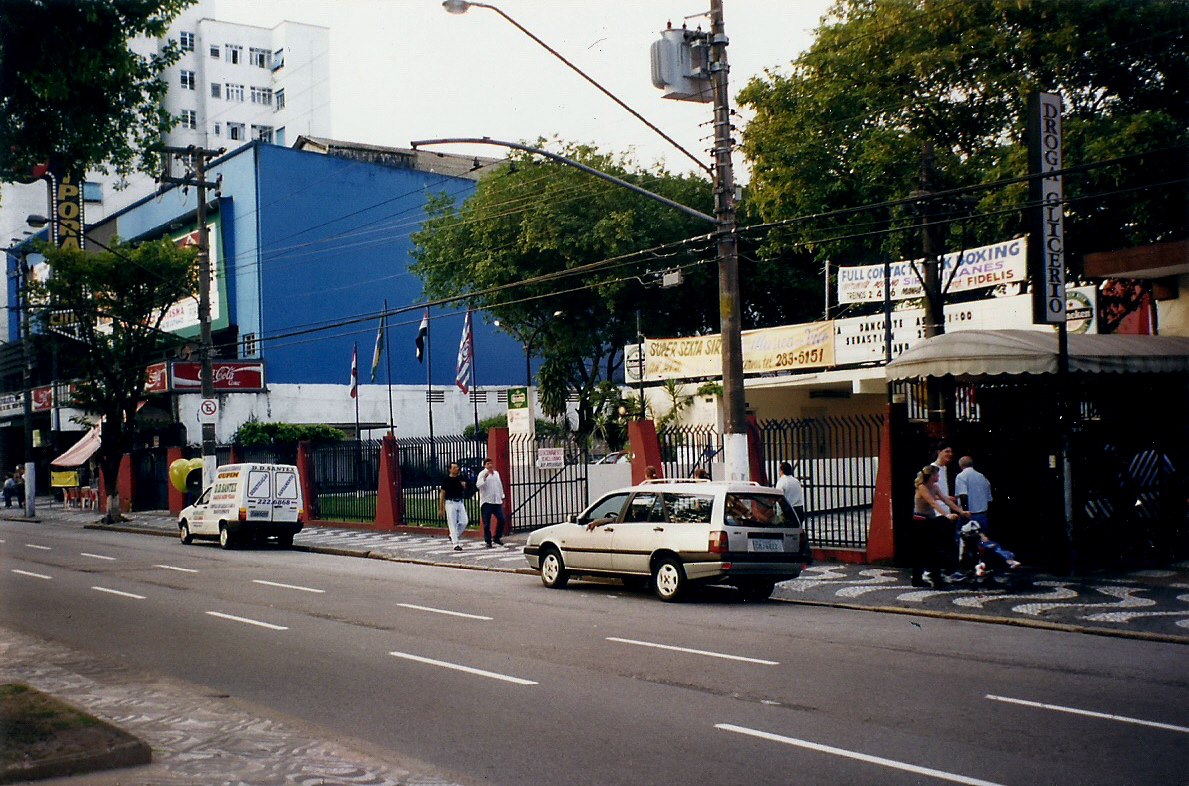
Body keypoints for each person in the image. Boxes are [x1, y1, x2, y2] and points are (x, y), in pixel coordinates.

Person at [911, 464, 958, 589]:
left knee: (934, 550)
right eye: (936, 474)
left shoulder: (935, 487)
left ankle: (934, 577)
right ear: (931, 476)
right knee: (923, 551)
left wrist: (960, 511)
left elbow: (945, 500)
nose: (938, 476)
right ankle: (919, 578)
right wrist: (947, 515)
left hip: (930, 520)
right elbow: (932, 502)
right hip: (920, 521)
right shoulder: (922, 487)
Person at [955, 456, 993, 534]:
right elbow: (989, 499)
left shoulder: (961, 476)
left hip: (969, 515)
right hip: (983, 515)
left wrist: (965, 512)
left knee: (964, 541)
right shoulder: (983, 477)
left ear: (960, 465)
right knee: (982, 541)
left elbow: (963, 495)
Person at [475, 458, 506, 548]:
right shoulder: (482, 474)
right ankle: (488, 540)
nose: (490, 465)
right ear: (484, 465)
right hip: (486, 501)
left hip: (496, 501)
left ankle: (497, 537)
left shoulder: (496, 474)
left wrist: (502, 496)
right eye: (488, 464)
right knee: (487, 523)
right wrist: (484, 478)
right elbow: (478, 485)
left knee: (502, 519)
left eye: (491, 463)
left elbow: (499, 485)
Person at [438, 462, 470, 551]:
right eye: (454, 467)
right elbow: (442, 494)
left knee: (464, 521)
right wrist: (441, 508)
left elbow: (465, 489)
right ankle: (456, 544)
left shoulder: (460, 479)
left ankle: (453, 536)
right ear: (450, 469)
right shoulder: (446, 480)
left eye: (457, 467)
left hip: (460, 502)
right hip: (450, 503)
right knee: (452, 523)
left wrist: (464, 486)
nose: (457, 469)